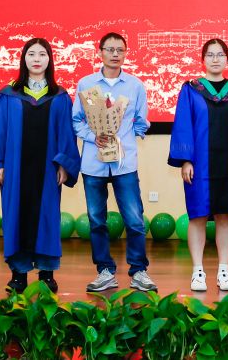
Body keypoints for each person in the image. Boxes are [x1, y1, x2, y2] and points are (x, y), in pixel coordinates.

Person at [0, 37, 81, 294]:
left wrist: (64, 164)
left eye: (42, 54)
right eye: (31, 54)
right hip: (15, 170)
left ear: (49, 59)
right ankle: (18, 274)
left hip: (48, 170)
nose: (36, 59)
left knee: (47, 217)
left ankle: (46, 273)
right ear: (24, 59)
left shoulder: (59, 96)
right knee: (16, 217)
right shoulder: (8, 95)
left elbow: (66, 134)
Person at [72, 32, 156, 293]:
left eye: (120, 50)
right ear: (100, 52)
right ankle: (105, 271)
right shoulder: (86, 84)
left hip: (124, 163)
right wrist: (93, 137)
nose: (115, 54)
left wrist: (126, 137)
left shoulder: (135, 86)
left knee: (134, 219)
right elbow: (76, 120)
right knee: (97, 220)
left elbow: (142, 120)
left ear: (126, 53)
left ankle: (138, 270)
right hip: (93, 164)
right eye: (110, 49)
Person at [168, 39, 228, 291]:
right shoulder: (191, 89)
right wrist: (186, 160)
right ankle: (198, 272)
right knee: (198, 215)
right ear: (202, 59)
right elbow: (184, 124)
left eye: (220, 54)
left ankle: (224, 271)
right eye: (210, 55)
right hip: (200, 164)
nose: (215, 59)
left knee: (225, 216)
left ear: (227, 59)